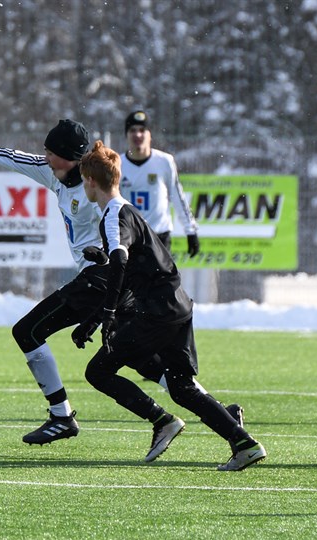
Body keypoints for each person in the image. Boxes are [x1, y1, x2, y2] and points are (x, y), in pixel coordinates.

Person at [0, 122, 241, 444]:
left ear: (72, 158)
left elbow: (121, 240)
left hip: (102, 280)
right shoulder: (51, 172)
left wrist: (107, 270)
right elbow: (7, 157)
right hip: (111, 285)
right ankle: (219, 415)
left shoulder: (96, 190)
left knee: (28, 332)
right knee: (143, 361)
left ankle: (62, 416)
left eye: (51, 153)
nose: (45, 157)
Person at [73, 140, 265, 471]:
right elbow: (127, 265)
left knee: (98, 371)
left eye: (83, 181)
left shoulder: (113, 215)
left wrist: (106, 314)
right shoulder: (127, 210)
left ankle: (161, 420)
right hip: (178, 304)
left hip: (157, 311)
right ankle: (243, 442)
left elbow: (120, 261)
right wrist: (95, 315)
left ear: (90, 181)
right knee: (181, 386)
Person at [121, 111, 200, 258]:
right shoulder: (118, 164)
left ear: (150, 134)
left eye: (142, 130)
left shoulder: (164, 161)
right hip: (129, 239)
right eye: (132, 130)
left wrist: (190, 230)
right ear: (126, 134)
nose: (138, 135)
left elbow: (177, 196)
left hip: (159, 237)